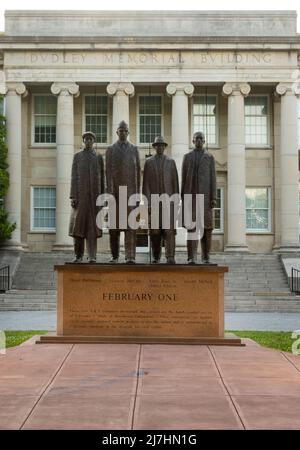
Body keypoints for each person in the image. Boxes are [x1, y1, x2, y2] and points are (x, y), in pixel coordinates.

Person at [106, 120, 141, 263]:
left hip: (130, 195)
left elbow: (138, 173)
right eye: (120, 130)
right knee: (114, 228)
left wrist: (138, 195)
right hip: (115, 194)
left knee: (130, 227)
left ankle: (130, 256)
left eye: (125, 130)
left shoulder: (134, 149)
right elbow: (107, 173)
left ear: (128, 132)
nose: (123, 133)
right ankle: (114, 256)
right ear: (117, 132)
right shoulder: (110, 150)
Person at [143, 136, 179, 264]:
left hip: (168, 202)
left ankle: (170, 256)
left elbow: (175, 183)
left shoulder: (171, 162)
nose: (160, 147)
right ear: (154, 147)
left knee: (169, 231)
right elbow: (145, 184)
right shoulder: (149, 162)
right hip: (154, 203)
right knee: (155, 232)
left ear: (165, 147)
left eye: (162, 145)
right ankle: (156, 257)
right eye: (157, 145)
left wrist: (176, 201)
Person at [69, 131, 104, 263]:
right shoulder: (77, 156)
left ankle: (92, 256)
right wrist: (73, 195)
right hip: (80, 198)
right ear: (83, 141)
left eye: (90, 139)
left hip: (94, 199)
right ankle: (78, 256)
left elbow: (102, 179)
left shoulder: (99, 157)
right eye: (86, 139)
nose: (88, 141)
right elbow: (73, 177)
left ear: (94, 141)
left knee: (92, 229)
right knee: (77, 228)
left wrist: (103, 196)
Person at [181, 131, 217, 264]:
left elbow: (213, 178)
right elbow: (183, 179)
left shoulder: (210, 157)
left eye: (201, 139)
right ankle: (191, 257)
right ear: (193, 141)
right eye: (196, 139)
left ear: (204, 141)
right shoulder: (187, 157)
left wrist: (214, 197)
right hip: (191, 198)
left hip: (206, 198)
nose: (199, 141)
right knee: (192, 228)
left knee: (206, 229)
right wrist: (183, 198)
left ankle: (206, 256)